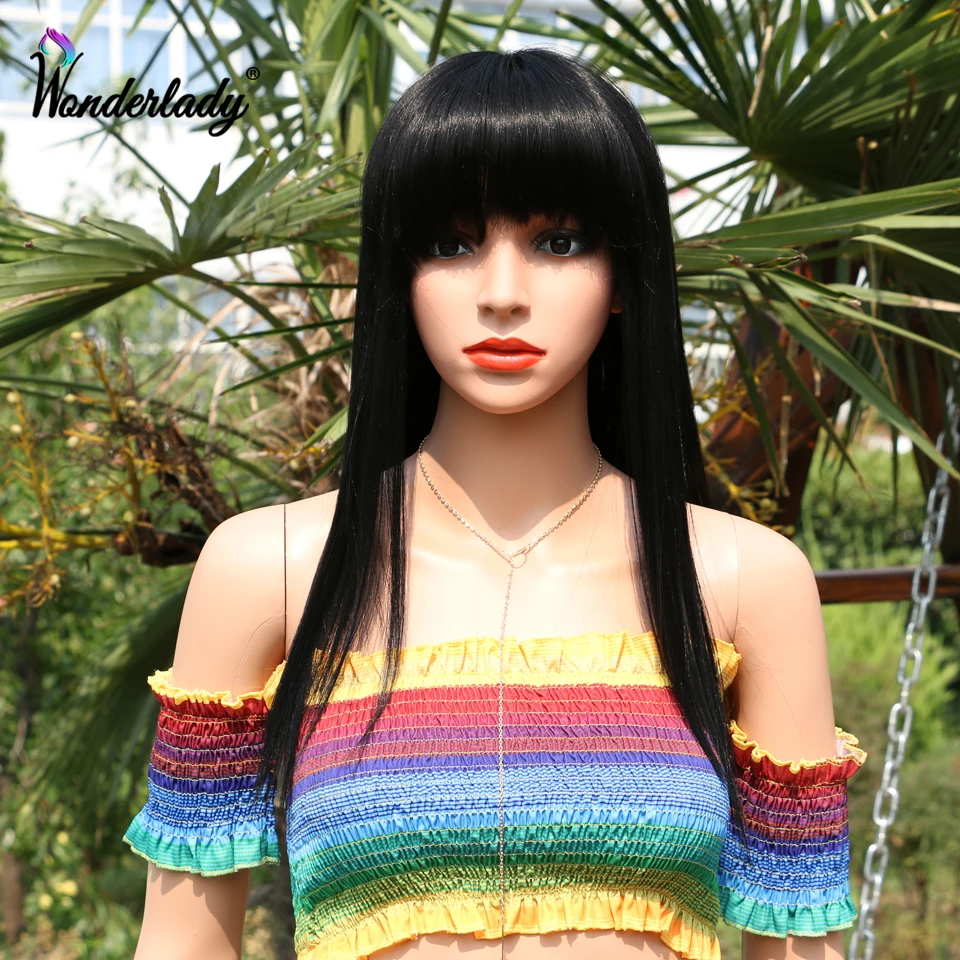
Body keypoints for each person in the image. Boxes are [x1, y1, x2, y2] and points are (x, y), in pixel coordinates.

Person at [125, 47, 866, 960]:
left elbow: (801, 947)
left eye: (559, 242)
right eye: (451, 244)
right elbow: (182, 945)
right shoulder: (267, 569)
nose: (503, 295)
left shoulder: (746, 579)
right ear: (398, 274)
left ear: (625, 275)